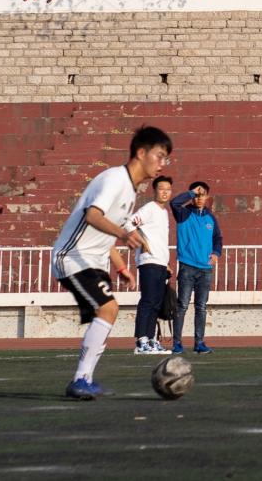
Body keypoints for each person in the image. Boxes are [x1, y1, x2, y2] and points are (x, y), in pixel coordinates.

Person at [51, 125, 172, 400]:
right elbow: (93, 215)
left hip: (92, 262)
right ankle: (81, 380)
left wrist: (121, 267)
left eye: (166, 158)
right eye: (159, 156)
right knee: (109, 308)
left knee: (106, 313)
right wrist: (124, 234)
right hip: (71, 257)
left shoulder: (130, 192)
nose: (162, 164)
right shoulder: (115, 179)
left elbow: (106, 236)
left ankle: (84, 379)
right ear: (141, 153)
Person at [170, 180, 223, 355]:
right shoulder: (183, 213)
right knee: (182, 305)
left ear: (207, 197)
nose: (199, 198)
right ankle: (177, 343)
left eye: (202, 195)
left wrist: (216, 253)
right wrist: (192, 192)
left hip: (205, 269)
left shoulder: (211, 218)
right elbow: (174, 202)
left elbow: (218, 238)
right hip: (187, 267)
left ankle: (199, 342)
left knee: (201, 306)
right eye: (196, 195)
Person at [130, 175, 174, 355]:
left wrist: (166, 263)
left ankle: (151, 339)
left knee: (156, 302)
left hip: (160, 262)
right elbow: (128, 222)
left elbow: (159, 240)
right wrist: (142, 242)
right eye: (161, 188)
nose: (165, 192)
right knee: (148, 300)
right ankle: (141, 340)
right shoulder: (149, 208)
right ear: (154, 190)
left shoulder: (163, 212)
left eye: (168, 189)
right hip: (149, 261)